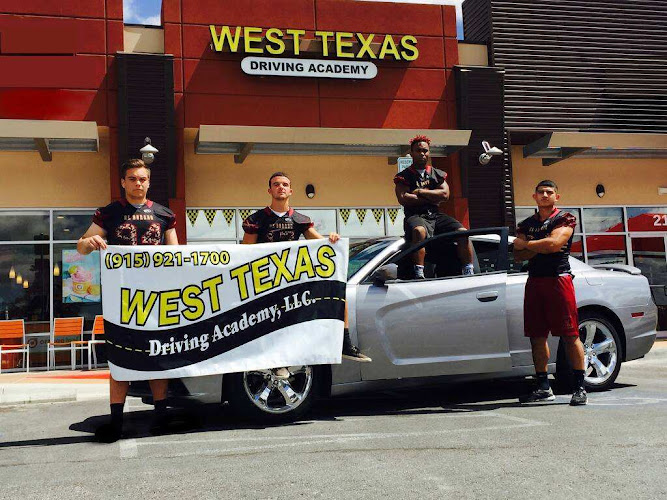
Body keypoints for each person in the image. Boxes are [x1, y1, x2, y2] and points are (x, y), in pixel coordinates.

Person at [77, 158, 179, 442]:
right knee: (120, 357)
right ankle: (116, 421)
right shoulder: (108, 213)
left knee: (158, 355)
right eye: (132, 178)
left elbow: (177, 255)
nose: (138, 183)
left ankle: (160, 417)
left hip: (157, 297)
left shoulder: (164, 214)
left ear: (149, 181)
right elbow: (82, 246)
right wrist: (91, 242)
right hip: (120, 297)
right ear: (123, 182)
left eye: (142, 178)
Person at [241, 172, 371, 378]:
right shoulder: (256, 219)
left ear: (291, 191)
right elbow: (245, 252)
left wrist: (333, 238)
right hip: (266, 281)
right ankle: (278, 362)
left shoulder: (300, 220)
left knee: (338, 294)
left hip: (294, 278)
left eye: (284, 184)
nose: (280, 187)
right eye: (276, 184)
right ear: (269, 190)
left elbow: (321, 244)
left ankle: (344, 343)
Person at [513, 180, 587, 406]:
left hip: (559, 279)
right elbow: (518, 256)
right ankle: (544, 388)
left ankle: (579, 387)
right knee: (536, 336)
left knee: (569, 334)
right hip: (535, 281)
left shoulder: (565, 219)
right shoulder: (526, 223)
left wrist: (529, 244)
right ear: (534, 197)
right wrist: (537, 246)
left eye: (549, 192)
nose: (545, 195)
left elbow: (555, 244)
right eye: (541, 192)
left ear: (557, 196)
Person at [393, 135, 474, 279]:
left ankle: (468, 270)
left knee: (462, 232)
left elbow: (445, 195)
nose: (422, 153)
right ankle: (419, 271)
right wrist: (432, 198)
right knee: (419, 231)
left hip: (436, 216)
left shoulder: (436, 173)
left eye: (425, 150)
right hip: (415, 216)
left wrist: (421, 192)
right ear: (411, 153)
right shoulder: (403, 176)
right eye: (418, 151)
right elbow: (404, 198)